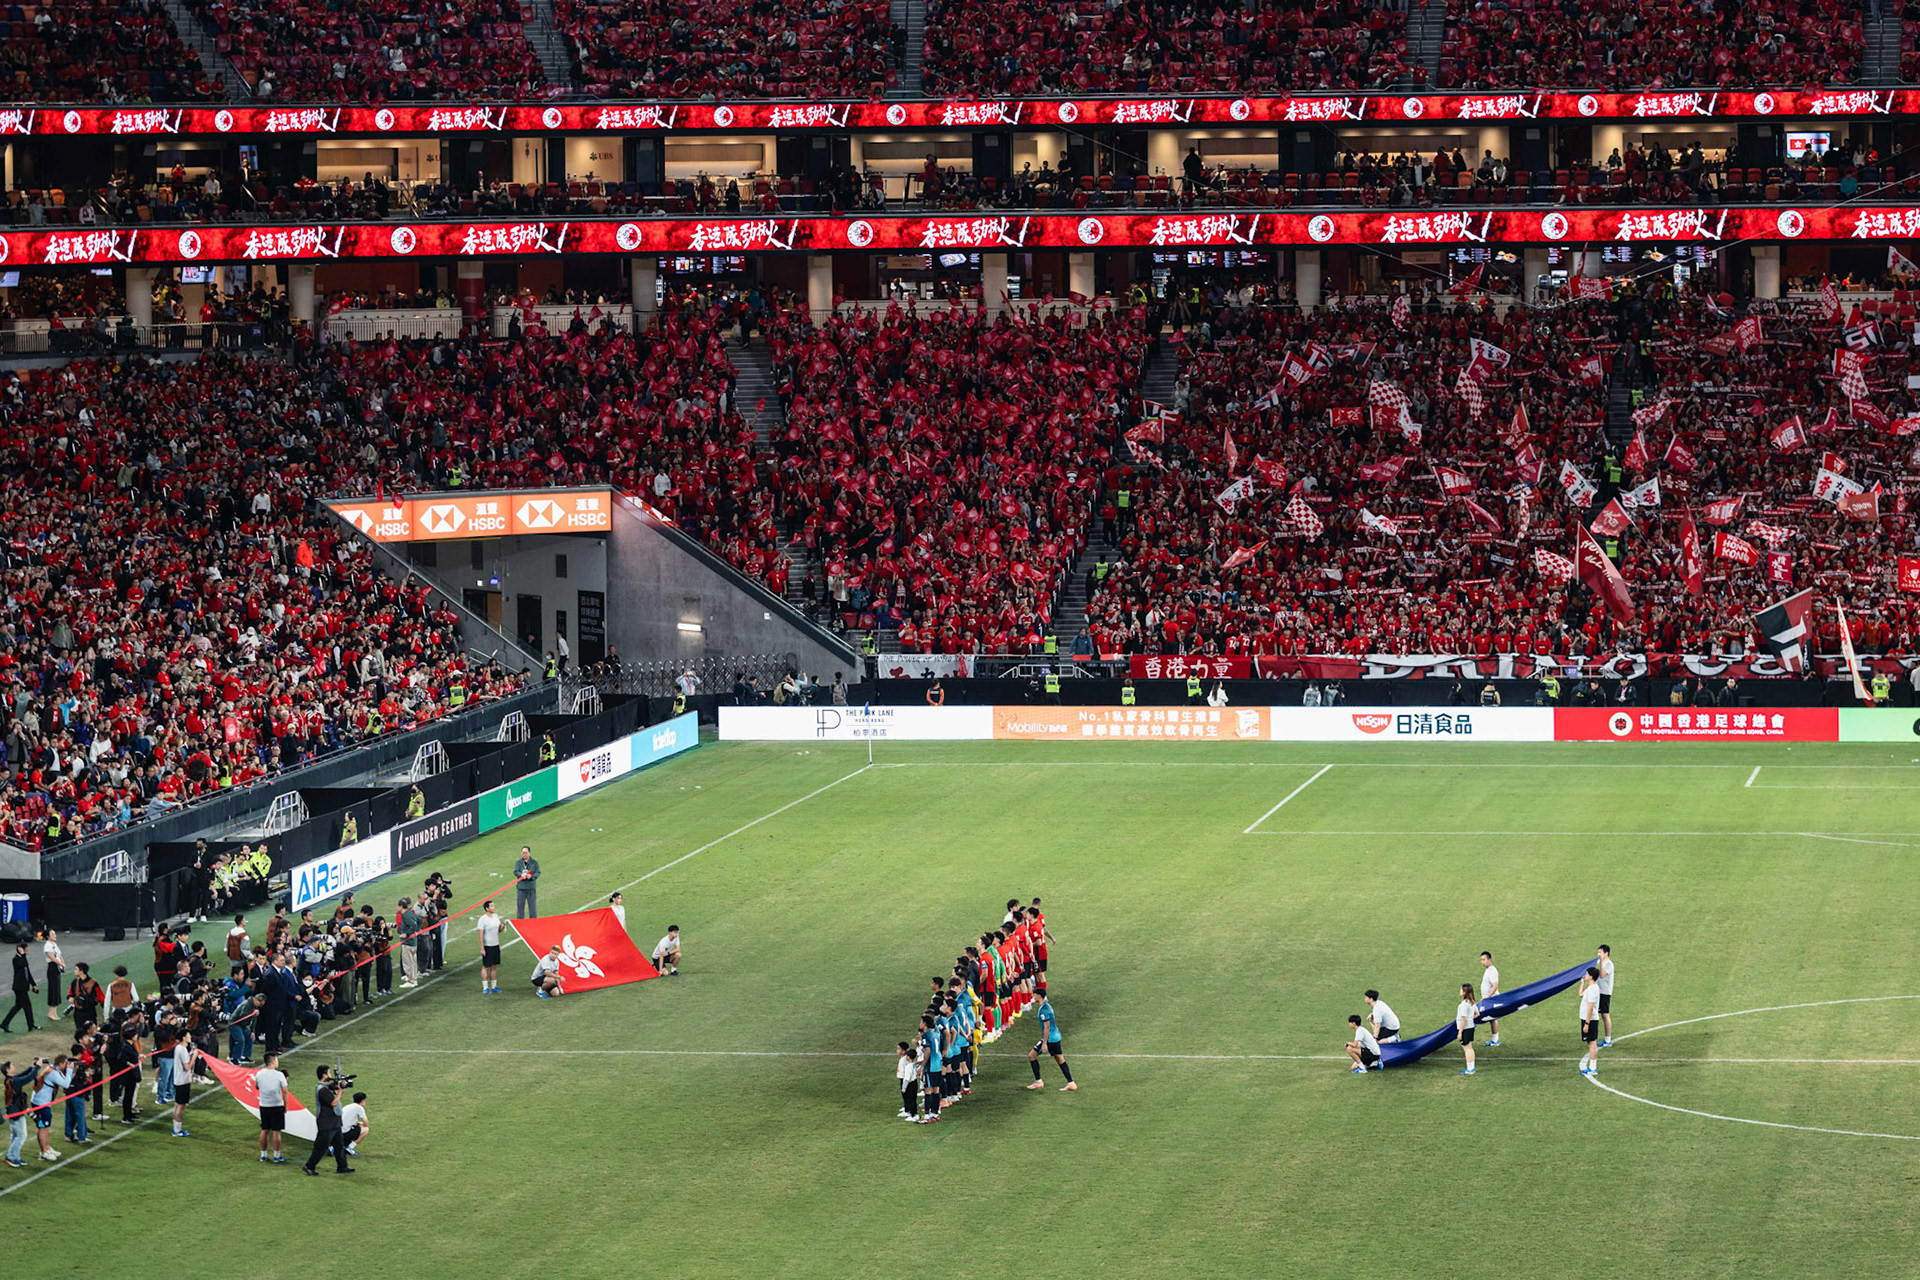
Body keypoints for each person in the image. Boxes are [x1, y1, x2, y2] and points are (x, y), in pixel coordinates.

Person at [302, 1065, 354, 1174]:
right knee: (321, 1147)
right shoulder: (322, 1090)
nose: (330, 1075)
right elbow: (334, 1103)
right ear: (324, 1075)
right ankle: (309, 1166)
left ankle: (342, 1166)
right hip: (327, 1123)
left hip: (334, 1122)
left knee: (339, 1145)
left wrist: (341, 1084)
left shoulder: (325, 1088)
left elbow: (334, 1088)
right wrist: (341, 1090)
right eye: (329, 1073)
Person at [1025, 993, 1076, 1091]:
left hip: (1050, 1039)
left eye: (1034, 995)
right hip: (1056, 1036)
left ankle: (1038, 1081)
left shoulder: (1043, 1010)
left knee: (1032, 1056)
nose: (1033, 997)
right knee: (1060, 1059)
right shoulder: (1047, 1005)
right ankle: (1071, 1083)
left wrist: (1044, 1044)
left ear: (1039, 996)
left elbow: (1047, 1027)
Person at [254, 1052, 289, 1163]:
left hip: (264, 1106)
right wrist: (285, 1106)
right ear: (273, 1061)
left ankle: (263, 1155)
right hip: (276, 1106)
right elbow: (285, 1092)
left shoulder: (259, 1074)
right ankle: (276, 1156)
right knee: (276, 1131)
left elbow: (257, 1087)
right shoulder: (279, 1075)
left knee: (265, 1130)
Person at [4, 939, 39, 1032]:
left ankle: (4, 1024)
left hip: (23, 987)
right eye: (26, 949)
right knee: (27, 1006)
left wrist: (33, 984)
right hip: (19, 987)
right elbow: (23, 964)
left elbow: (28, 972)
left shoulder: (23, 958)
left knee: (18, 1006)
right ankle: (31, 1026)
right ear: (21, 950)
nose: (28, 951)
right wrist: (22, 954)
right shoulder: (16, 959)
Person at [917, 1013, 945, 1123]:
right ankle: (935, 1113)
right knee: (936, 1089)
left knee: (928, 1089)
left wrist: (923, 1065)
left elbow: (928, 1051)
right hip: (937, 1064)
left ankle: (927, 1115)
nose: (920, 1024)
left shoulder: (926, 1035)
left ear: (925, 1024)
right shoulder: (935, 1034)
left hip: (930, 1066)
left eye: (921, 1022)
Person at [170, 1036, 198, 1137]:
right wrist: (194, 1056)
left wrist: (191, 1054)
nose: (190, 1037)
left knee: (177, 1104)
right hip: (183, 1081)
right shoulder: (182, 1050)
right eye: (188, 1035)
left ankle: (176, 1128)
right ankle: (177, 1130)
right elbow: (187, 1067)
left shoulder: (178, 1048)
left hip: (178, 1080)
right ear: (184, 1037)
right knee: (181, 1106)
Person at [1579, 966, 1603, 1075]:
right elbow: (1580, 994)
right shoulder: (1590, 988)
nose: (1585, 975)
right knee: (1590, 1042)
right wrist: (1583, 983)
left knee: (1592, 1043)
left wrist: (1587, 1023)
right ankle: (1592, 1067)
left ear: (1591, 976)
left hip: (1590, 1020)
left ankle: (1593, 1068)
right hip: (1587, 1019)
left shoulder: (1593, 990)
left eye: (1587, 974)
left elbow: (1590, 1008)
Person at [4, 1058, 29, 1166]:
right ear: (8, 1070)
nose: (14, 1066)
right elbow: (28, 1078)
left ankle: (16, 1157)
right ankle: (10, 1156)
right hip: (16, 1113)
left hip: (12, 1112)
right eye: (12, 1065)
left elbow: (22, 1075)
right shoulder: (14, 1081)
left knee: (15, 1135)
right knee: (22, 1135)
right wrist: (37, 1067)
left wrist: (31, 1068)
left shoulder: (10, 1079)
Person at [478, 900, 505, 995]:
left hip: (495, 945)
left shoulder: (496, 917)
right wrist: (482, 948)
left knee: (493, 966)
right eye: (492, 906)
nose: (494, 907)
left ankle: (494, 986)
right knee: (486, 966)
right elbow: (481, 935)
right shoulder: (483, 919)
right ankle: (485, 987)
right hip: (487, 946)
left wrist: (504, 925)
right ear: (487, 908)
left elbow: (499, 930)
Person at [1455, 983, 1479, 1076]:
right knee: (1470, 1048)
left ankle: (1470, 1069)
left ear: (1465, 992)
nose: (1460, 991)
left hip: (1465, 1029)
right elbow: (1477, 1014)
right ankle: (1471, 1067)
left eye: (1461, 989)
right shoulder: (1472, 1002)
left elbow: (1463, 1019)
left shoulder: (1464, 1004)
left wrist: (1460, 1032)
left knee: (1466, 1048)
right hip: (1471, 1027)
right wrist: (1470, 1018)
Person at [1479, 951, 1501, 1047]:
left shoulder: (1492, 971)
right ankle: (1495, 1039)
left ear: (1489, 960)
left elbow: (1495, 986)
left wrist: (1487, 997)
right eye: (1481, 960)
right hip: (1488, 999)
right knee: (1491, 1019)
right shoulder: (1488, 970)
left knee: (1492, 1018)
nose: (1482, 962)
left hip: (1492, 999)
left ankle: (1495, 1040)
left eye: (1484, 959)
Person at [41, 929, 64, 1022]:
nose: (55, 935)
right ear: (48, 936)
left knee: (57, 989)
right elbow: (53, 958)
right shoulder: (47, 945)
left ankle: (54, 1012)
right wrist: (61, 964)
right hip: (52, 968)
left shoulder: (54, 944)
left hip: (57, 967)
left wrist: (63, 964)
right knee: (53, 989)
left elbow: (59, 955)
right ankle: (51, 1012)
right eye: (53, 934)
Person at [895, 1040, 920, 1121]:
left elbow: (907, 1078)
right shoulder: (913, 1064)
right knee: (911, 1098)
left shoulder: (907, 1065)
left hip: (908, 1082)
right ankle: (910, 1111)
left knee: (909, 1098)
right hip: (913, 1082)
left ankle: (911, 1113)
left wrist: (904, 1087)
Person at [1596, 944, 1615, 1046]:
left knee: (1605, 1015)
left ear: (1606, 953)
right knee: (1600, 1015)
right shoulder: (1602, 963)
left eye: (1600, 952)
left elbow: (1602, 975)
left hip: (1605, 992)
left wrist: (1601, 962)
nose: (1598, 954)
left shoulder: (1609, 964)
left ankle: (1608, 1040)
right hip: (1599, 992)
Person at [513, 847, 540, 918]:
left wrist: (531, 876)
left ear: (529, 853)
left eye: (525, 853)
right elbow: (515, 871)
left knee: (532, 907)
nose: (524, 854)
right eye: (523, 853)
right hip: (521, 888)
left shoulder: (534, 862)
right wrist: (521, 875)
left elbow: (538, 872)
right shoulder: (518, 862)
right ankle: (520, 922)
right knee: (520, 907)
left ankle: (533, 921)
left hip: (531, 887)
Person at [341, 1091, 369, 1155]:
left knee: (355, 1128)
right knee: (365, 1129)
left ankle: (335, 1146)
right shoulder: (359, 1108)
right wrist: (361, 1124)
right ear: (362, 1101)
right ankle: (350, 1147)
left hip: (337, 1131)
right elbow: (366, 1123)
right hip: (345, 1132)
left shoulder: (348, 1106)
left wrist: (357, 1123)